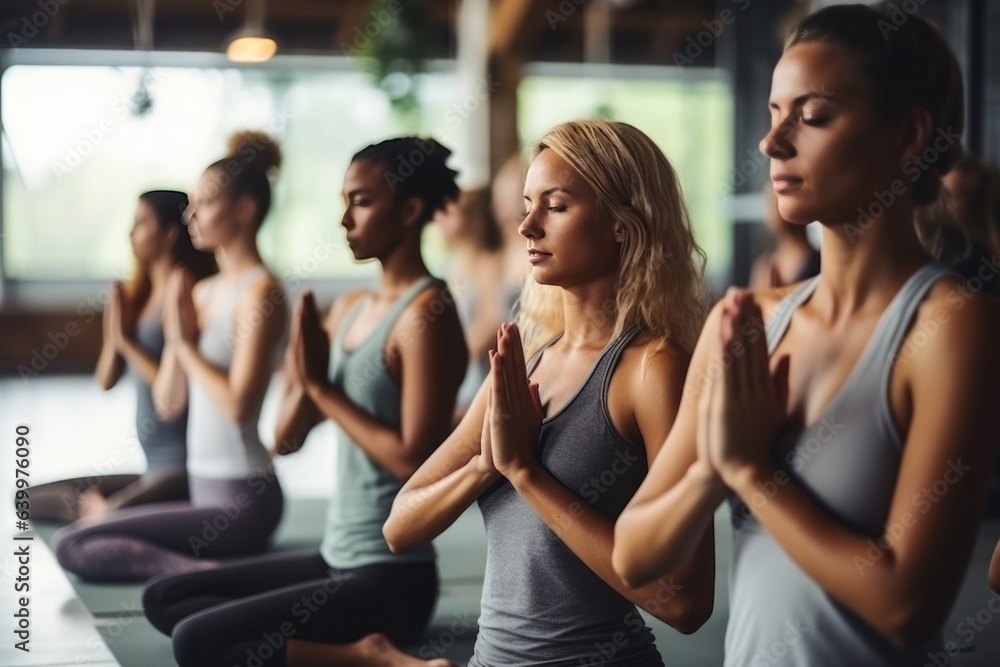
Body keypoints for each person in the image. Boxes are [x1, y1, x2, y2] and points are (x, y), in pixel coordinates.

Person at [613, 5, 1000, 666]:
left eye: (813, 116)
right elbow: (635, 552)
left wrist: (751, 470)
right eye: (772, 113)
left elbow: (908, 606)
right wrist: (712, 468)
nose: (772, 142)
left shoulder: (951, 326)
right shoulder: (748, 322)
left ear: (910, 137)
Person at [384, 119, 715, 665]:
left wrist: (526, 473)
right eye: (527, 204)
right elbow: (400, 527)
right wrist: (485, 466)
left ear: (621, 224)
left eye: (556, 206)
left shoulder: (653, 371)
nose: (527, 227)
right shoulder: (525, 363)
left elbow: (685, 603)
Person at [142, 137, 467, 667]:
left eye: (360, 201)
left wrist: (320, 388)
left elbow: (414, 460)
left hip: (389, 576)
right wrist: (300, 376)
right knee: (166, 599)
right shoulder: (348, 308)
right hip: (331, 556)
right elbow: (285, 441)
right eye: (343, 200)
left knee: (196, 642)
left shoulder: (427, 313)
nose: (344, 219)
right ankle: (360, 653)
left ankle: (376, 657)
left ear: (409, 211)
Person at [53, 135, 288, 582]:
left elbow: (238, 407)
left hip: (243, 497)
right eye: (191, 202)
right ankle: (203, 573)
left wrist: (181, 346)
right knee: (80, 539)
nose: (190, 214)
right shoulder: (201, 291)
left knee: (75, 544)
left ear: (245, 209)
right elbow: (169, 401)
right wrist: (167, 344)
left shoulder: (262, 291)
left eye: (205, 202)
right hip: (200, 491)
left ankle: (209, 577)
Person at [30, 191, 215, 523]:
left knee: (106, 516)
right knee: (27, 499)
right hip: (152, 468)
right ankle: (99, 514)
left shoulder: (185, 291)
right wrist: (115, 336)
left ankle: (104, 516)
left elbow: (174, 395)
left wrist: (127, 341)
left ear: (171, 232)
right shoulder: (137, 296)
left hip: (183, 470)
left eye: (142, 223)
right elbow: (106, 379)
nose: (130, 234)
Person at [434, 188, 506, 420]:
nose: (439, 221)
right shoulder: (453, 263)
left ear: (475, 220)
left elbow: (493, 322)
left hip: (475, 371)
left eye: (449, 214)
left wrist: (451, 358)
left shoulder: (489, 263)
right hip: (456, 369)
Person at [749, 181, 820, 289]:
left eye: (774, 203)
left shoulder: (821, 264)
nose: (770, 213)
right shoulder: (763, 266)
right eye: (769, 205)